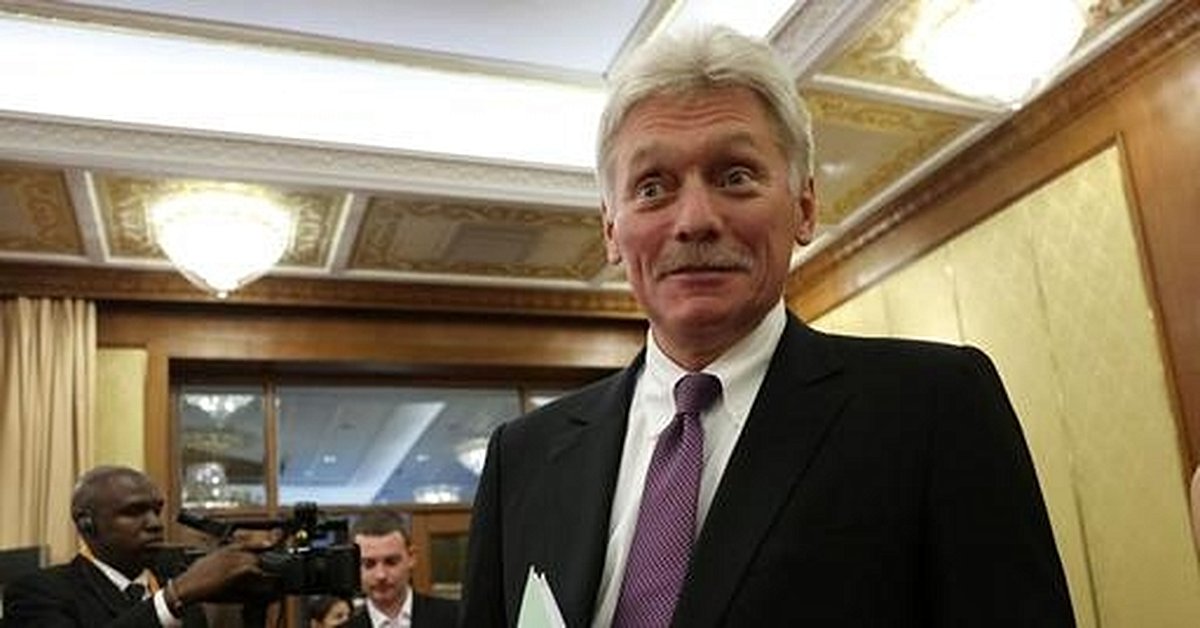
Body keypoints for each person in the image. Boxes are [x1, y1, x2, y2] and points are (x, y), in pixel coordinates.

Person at [460, 25, 1075, 628]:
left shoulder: (931, 405)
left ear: (804, 207)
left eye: (735, 176)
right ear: (610, 231)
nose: (694, 220)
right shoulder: (524, 457)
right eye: (652, 187)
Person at [2, 464, 274, 627]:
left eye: (157, 510)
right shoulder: (36, 592)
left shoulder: (180, 589)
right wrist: (172, 598)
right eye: (134, 512)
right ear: (86, 523)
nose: (155, 523)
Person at [345, 511, 457, 628]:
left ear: (411, 557)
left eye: (391, 562)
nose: (381, 575)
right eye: (369, 564)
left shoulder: (456, 617)